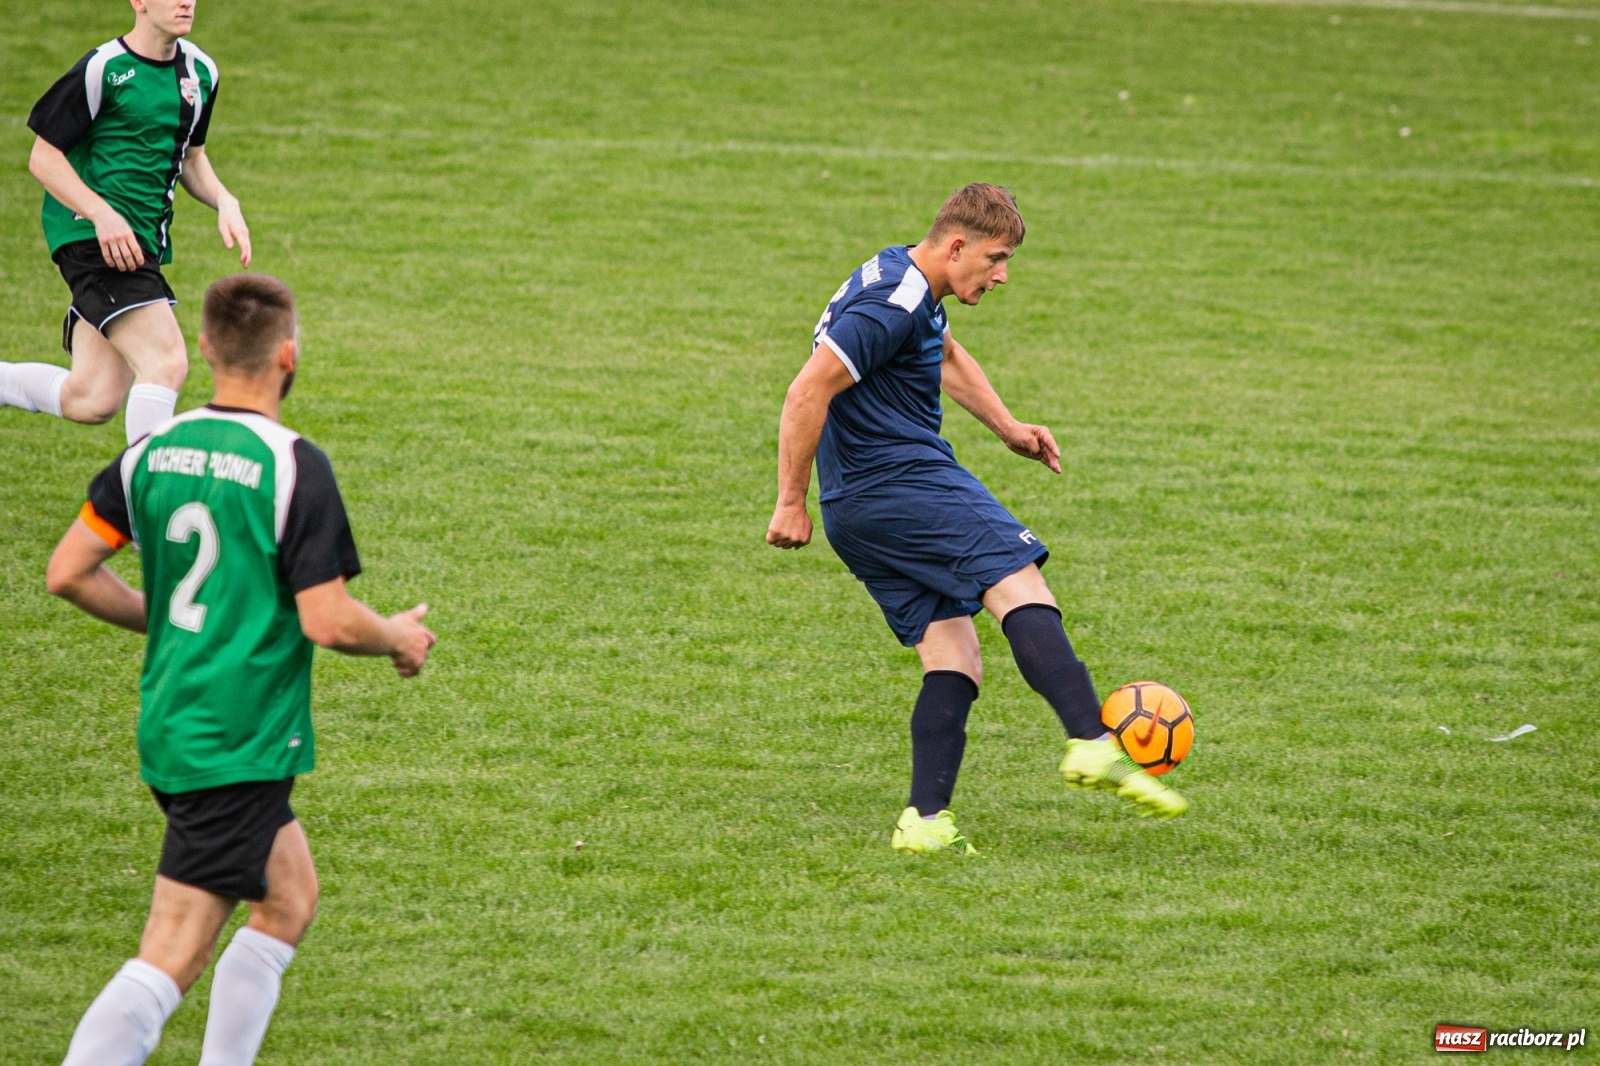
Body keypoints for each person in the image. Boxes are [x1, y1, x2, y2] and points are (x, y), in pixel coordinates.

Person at [45, 274, 436, 1066]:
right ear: (288, 355)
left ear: (206, 348)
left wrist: (167, 616)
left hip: (176, 722)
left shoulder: (151, 452)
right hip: (236, 737)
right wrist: (396, 637)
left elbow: (69, 572)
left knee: (289, 901)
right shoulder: (293, 466)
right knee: (171, 953)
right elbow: (328, 619)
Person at [766, 183, 1187, 855]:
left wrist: (1008, 428)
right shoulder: (892, 302)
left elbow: (946, 356)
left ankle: (925, 822)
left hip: (856, 508)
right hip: (901, 483)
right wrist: (790, 500)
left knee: (954, 655)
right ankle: (1090, 740)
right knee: (1019, 580)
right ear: (957, 246)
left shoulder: (906, 276)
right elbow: (806, 390)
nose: (1002, 276)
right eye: (996, 259)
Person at [3, 0, 251, 446]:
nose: (186, 1)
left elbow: (191, 157)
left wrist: (224, 200)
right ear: (139, 2)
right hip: (95, 239)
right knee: (166, 362)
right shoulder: (103, 68)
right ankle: (145, 488)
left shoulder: (201, 72)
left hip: (140, 244)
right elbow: (43, 157)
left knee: (92, 397)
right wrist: (101, 213)